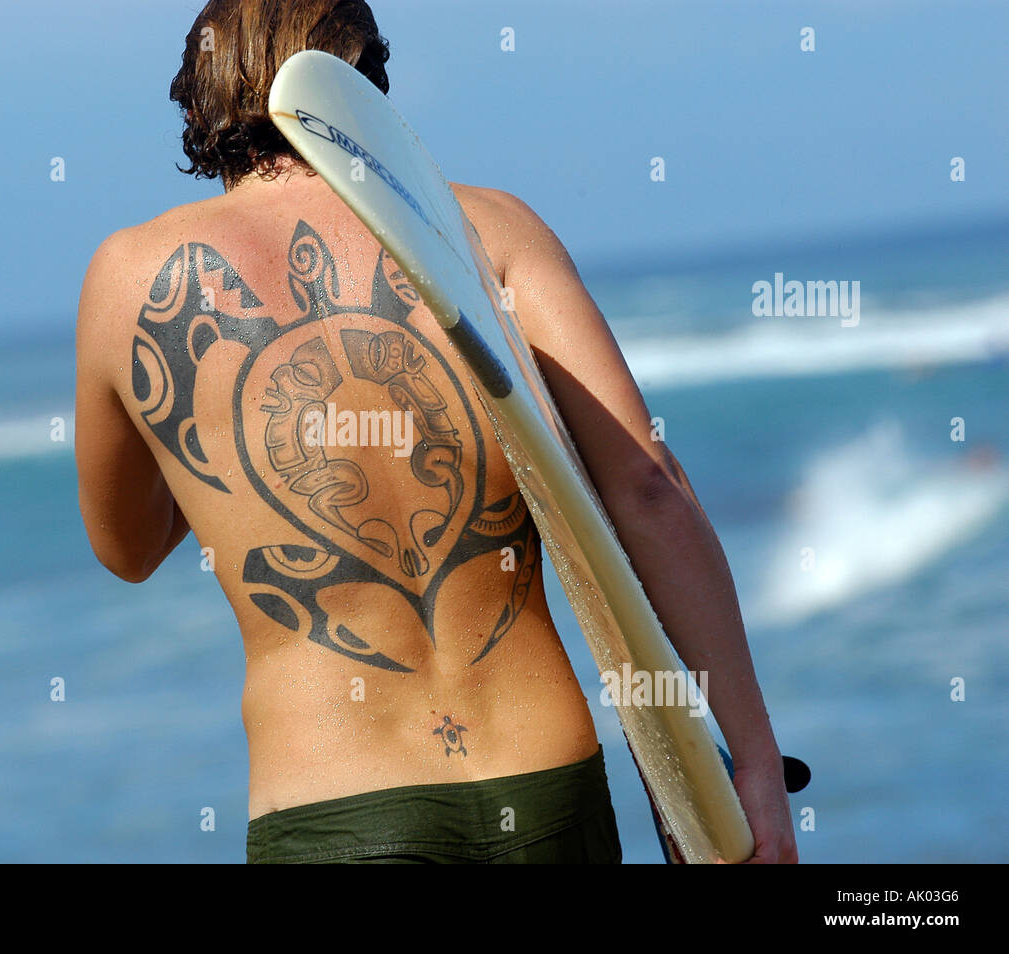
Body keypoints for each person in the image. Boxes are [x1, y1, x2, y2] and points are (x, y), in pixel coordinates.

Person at [75, 0, 797, 864]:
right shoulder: (488, 230)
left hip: (331, 809)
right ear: (365, 81)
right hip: (544, 791)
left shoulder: (130, 278)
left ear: (198, 92)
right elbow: (646, 488)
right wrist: (748, 761)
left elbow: (127, 546)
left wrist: (225, 431)